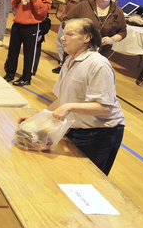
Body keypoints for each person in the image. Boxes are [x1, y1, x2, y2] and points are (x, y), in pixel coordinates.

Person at [49, 18, 125, 175]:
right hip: (76, 129)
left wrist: (69, 107)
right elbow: (62, 100)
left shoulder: (98, 65)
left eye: (69, 34)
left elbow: (105, 108)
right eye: (63, 34)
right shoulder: (70, 60)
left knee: (88, 182)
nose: (62, 38)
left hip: (100, 134)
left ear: (87, 38)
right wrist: (37, 118)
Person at [2, 0, 53, 86]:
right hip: (17, 24)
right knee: (12, 50)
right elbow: (14, 4)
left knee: (29, 53)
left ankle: (26, 77)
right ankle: (10, 73)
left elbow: (44, 11)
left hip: (31, 26)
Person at [62, 0, 126, 60]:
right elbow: (65, 22)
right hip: (78, 50)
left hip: (101, 54)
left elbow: (123, 31)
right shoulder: (84, 5)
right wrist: (77, 33)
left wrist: (112, 39)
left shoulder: (117, 11)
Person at [54, 0, 100, 71]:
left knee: (63, 39)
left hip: (74, 17)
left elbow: (73, 1)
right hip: (85, 19)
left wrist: (65, 14)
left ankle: (64, 64)